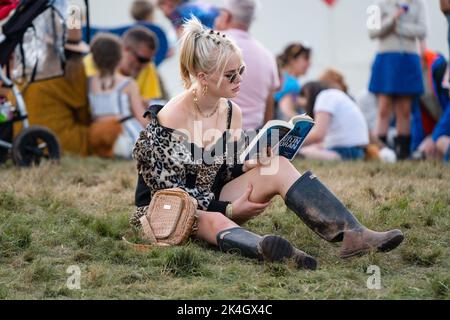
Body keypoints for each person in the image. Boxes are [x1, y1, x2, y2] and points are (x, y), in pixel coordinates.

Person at [131, 18, 404, 270]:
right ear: (202, 77)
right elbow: (171, 192)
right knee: (212, 219)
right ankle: (274, 252)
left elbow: (223, 168)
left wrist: (249, 163)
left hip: (211, 200)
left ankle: (353, 235)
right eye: (230, 75)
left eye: (241, 70)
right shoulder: (172, 115)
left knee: (278, 164)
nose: (240, 80)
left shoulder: (230, 112)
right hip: (167, 211)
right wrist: (227, 209)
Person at [17, 27, 92, 156]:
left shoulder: (31, 62)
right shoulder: (75, 69)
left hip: (20, 135)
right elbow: (83, 112)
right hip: (55, 139)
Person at [368, 0, 427, 160]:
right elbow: (372, 31)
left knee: (405, 110)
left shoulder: (418, 3)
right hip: (386, 57)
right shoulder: (377, 4)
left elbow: (422, 30)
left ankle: (403, 152)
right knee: (383, 108)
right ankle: (379, 150)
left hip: (408, 58)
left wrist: (399, 28)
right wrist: (392, 20)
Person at [214, 0, 280, 131]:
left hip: (211, 137)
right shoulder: (268, 56)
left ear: (226, 16)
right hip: (250, 140)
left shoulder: (212, 43)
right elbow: (269, 106)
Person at [88, 33, 148, 159]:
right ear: (119, 57)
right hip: (122, 137)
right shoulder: (128, 83)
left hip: (97, 139)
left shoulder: (89, 82)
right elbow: (141, 117)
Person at [84, 26, 162, 105]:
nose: (145, 65)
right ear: (125, 49)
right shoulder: (96, 60)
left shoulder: (148, 66)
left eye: (149, 60)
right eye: (142, 59)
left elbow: (148, 104)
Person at [299, 82, 370, 161]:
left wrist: (294, 144)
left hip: (346, 151)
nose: (300, 102)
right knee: (311, 148)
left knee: (301, 152)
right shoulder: (334, 95)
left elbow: (318, 135)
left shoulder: (324, 97)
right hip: (358, 150)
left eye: (303, 95)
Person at [411, 47, 450, 160]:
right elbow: (419, 117)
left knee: (440, 142)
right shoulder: (412, 79)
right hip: (440, 128)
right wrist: (416, 149)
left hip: (443, 128)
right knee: (427, 151)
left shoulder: (439, 68)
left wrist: (435, 137)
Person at [274, 43, 312, 121]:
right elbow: (286, 110)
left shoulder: (281, 78)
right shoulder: (292, 84)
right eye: (305, 58)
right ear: (292, 60)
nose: (309, 63)